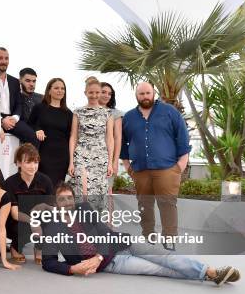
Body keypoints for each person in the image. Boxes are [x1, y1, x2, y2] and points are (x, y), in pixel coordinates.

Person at [40, 183, 240, 286]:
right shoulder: (52, 228)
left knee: (166, 258)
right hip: (113, 263)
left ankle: (212, 272)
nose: (67, 203)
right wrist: (73, 269)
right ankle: (209, 275)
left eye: (69, 198)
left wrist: (97, 257)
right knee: (158, 269)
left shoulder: (84, 209)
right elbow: (48, 262)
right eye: (61, 199)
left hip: (122, 245)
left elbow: (104, 233)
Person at [121, 82, 191, 243]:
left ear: (153, 93)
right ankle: (148, 239)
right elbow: (123, 142)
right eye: (141, 94)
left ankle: (169, 241)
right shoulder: (129, 117)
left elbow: (182, 136)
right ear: (136, 96)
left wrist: (181, 164)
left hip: (167, 168)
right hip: (140, 169)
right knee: (144, 206)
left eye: (148, 93)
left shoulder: (169, 111)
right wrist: (127, 165)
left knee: (167, 205)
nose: (145, 97)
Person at [4, 143, 54, 264]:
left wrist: (43, 206)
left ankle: (39, 248)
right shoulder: (10, 182)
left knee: (50, 222)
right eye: (28, 162)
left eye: (35, 162)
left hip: (39, 217)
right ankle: (15, 247)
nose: (33, 166)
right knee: (19, 226)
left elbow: (53, 208)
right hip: (17, 220)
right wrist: (32, 221)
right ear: (19, 163)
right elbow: (14, 214)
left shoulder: (45, 181)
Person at [68, 76, 114, 211]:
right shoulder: (78, 111)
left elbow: (110, 139)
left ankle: (97, 228)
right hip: (81, 156)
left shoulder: (107, 113)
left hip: (101, 159)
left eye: (97, 92)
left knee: (99, 192)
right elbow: (73, 137)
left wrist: (110, 162)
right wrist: (71, 161)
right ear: (85, 93)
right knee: (81, 190)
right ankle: (79, 226)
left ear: (100, 93)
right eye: (91, 92)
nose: (94, 95)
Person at [29, 78, 73, 186]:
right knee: (42, 186)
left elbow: (71, 136)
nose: (60, 91)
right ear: (49, 90)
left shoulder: (68, 113)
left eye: (63, 88)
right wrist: (37, 130)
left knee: (58, 188)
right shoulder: (39, 108)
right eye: (56, 88)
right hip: (43, 154)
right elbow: (29, 125)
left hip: (62, 156)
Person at [0, 47, 38, 147]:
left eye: (6, 58)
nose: (4, 61)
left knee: (33, 137)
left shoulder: (14, 82)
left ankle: (31, 162)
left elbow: (19, 103)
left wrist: (15, 118)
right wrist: (1, 120)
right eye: (0, 58)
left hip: (12, 119)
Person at [99, 81, 123, 190]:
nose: (107, 95)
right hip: (87, 158)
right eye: (103, 92)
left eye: (109, 93)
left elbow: (118, 138)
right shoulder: (85, 111)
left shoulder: (115, 114)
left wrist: (115, 162)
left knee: (106, 193)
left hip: (107, 160)